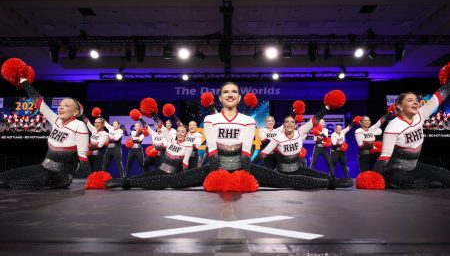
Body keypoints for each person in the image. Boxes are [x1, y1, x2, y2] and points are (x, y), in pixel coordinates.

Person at [107, 82, 351, 190]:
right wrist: (215, 170)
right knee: (174, 181)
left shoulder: (247, 121)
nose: (230, 94)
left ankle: (329, 182)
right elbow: (212, 150)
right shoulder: (210, 119)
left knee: (285, 181)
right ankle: (130, 182)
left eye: (234, 91)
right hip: (216, 164)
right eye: (226, 92)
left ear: (239, 96)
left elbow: (247, 150)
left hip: (242, 164)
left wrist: (245, 169)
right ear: (220, 97)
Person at [0, 79, 89, 189]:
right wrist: (25, 83)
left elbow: (83, 158)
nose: (61, 107)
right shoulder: (56, 120)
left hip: (61, 176)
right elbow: (38, 101)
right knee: (4, 178)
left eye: (66, 106)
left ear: (75, 112)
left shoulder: (79, 125)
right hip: (43, 167)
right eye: (60, 105)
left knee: (17, 184)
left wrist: (91, 181)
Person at [373, 87, 450, 188]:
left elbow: (437, 98)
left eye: (416, 100)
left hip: (414, 167)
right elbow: (384, 157)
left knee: (447, 177)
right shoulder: (392, 127)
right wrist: (375, 177)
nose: (415, 102)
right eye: (410, 100)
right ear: (400, 106)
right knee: (418, 184)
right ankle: (392, 181)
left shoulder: (420, 115)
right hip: (395, 170)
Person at [257, 115, 352, 185]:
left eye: (272, 120)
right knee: (271, 179)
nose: (271, 122)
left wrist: (327, 107)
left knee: (309, 174)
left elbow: (298, 125)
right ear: (266, 123)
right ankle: (331, 183)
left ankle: (333, 180)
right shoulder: (267, 133)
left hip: (288, 162)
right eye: (269, 121)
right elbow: (265, 143)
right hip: (271, 158)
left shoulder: (279, 131)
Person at [106, 124, 193, 189]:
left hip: (171, 176)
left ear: (186, 133)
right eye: (178, 131)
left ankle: (123, 183)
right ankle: (122, 181)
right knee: (144, 176)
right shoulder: (171, 141)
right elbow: (161, 126)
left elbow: (185, 163)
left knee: (145, 181)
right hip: (161, 170)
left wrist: (183, 179)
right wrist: (152, 114)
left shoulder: (188, 145)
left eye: (182, 132)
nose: (179, 133)